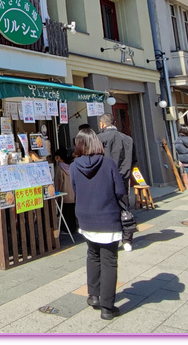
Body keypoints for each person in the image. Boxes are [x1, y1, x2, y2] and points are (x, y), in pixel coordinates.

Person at [70, 127, 125, 320]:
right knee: (109, 260)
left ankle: (93, 296)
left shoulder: (74, 166)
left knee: (92, 255)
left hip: (85, 217)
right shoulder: (108, 164)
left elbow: (75, 189)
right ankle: (107, 307)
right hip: (107, 216)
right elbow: (120, 191)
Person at [96, 115, 135, 250]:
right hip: (123, 179)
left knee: (106, 209)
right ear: (115, 122)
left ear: (102, 124)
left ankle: (110, 239)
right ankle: (127, 240)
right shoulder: (128, 139)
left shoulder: (98, 139)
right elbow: (134, 160)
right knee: (124, 208)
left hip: (103, 180)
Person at [54, 148, 78, 236]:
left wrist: (56, 196)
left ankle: (66, 230)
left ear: (59, 157)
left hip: (64, 196)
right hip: (74, 194)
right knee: (72, 212)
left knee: (65, 213)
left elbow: (58, 182)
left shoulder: (59, 168)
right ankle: (73, 228)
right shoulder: (72, 166)